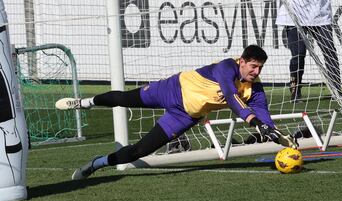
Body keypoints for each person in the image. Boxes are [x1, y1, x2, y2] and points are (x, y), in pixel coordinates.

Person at [55, 45, 298, 180]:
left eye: (260, 68)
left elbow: (262, 112)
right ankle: (85, 102)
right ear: (242, 61)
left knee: (141, 151)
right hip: (171, 89)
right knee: (124, 98)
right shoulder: (227, 67)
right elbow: (232, 97)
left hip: (185, 116)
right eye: (253, 66)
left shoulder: (255, 89)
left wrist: (275, 133)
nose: (256, 72)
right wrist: (254, 122)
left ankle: (95, 164)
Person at [276, 0, 342, 102]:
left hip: (320, 14)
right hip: (293, 15)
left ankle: (337, 91)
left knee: (329, 51)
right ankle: (295, 91)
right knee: (298, 54)